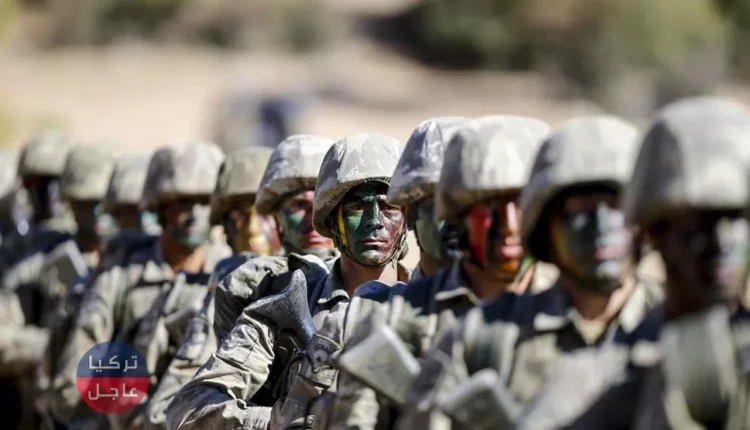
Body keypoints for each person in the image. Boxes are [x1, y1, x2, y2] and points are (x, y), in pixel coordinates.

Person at [398, 115, 663, 429]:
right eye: (580, 210)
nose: (602, 228)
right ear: (546, 226)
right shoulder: (483, 339)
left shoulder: (682, 330)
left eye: (617, 206)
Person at [519, 97, 750, 430]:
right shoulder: (594, 387)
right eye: (698, 224)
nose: (721, 242)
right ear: (652, 232)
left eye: (737, 219)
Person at [318, 116, 558, 430]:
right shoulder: (391, 320)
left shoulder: (574, 311)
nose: (509, 225)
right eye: (489, 206)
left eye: (521, 203)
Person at [167, 132, 410, 430]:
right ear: (331, 220)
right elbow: (188, 408)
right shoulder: (287, 306)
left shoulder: (430, 308)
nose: (374, 220)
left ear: (408, 218)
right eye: (357, 207)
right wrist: (274, 422)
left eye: (389, 207)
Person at [144, 146, 275, 429]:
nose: (253, 230)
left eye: (264, 215)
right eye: (240, 217)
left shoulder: (320, 286)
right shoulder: (223, 295)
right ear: (224, 227)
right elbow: (165, 412)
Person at [48, 152, 160, 428]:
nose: (140, 226)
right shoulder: (109, 281)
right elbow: (70, 387)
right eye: (128, 216)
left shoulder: (211, 273)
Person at [0, 130, 75, 430]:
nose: (51, 193)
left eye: (59, 182)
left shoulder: (97, 249)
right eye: (41, 183)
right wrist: (51, 343)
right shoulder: (13, 255)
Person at [37, 144, 116, 429]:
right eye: (86, 204)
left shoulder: (126, 269)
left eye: (103, 203)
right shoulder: (48, 263)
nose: (97, 214)